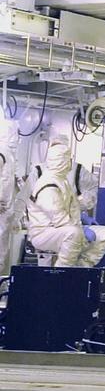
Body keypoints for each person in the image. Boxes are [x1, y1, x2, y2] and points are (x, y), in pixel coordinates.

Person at [26, 139, 105, 268]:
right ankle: (62, 274)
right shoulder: (48, 186)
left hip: (65, 229)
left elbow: (71, 206)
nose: (70, 163)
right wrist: (81, 231)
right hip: (45, 232)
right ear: (61, 162)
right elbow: (60, 219)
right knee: (74, 234)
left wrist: (81, 217)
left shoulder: (62, 181)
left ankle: (80, 268)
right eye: (68, 160)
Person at [0, 116, 17, 277]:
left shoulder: (8, 155)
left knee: (2, 253)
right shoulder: (2, 152)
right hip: (2, 210)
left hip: (4, 212)